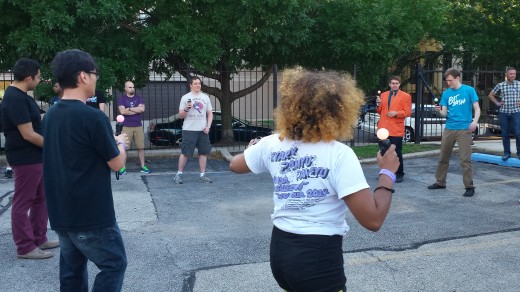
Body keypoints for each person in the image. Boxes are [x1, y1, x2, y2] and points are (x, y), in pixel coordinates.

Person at [229, 68, 399, 292]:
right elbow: (373, 220)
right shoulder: (338, 154)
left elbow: (235, 165)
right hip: (317, 261)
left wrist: (253, 148)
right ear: (338, 110)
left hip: (280, 253)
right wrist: (387, 173)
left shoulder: (271, 144)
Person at [43, 49, 128, 291]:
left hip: (61, 212)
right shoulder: (93, 117)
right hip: (91, 214)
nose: (96, 78)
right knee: (114, 264)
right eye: (95, 74)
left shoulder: (51, 115)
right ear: (83, 76)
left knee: (72, 272)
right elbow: (117, 163)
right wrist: (120, 143)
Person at [1, 58, 59, 259]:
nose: (40, 79)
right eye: (39, 76)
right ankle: (25, 247)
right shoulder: (15, 98)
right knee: (23, 201)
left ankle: (39, 237)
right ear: (28, 78)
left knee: (40, 198)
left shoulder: (22, 96)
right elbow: (28, 134)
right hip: (25, 157)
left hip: (35, 156)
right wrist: (54, 145)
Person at [428, 68, 480, 197]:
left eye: (450, 80)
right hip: (449, 128)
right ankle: (440, 182)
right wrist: (438, 111)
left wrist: (475, 122)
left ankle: (469, 186)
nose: (448, 83)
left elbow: (477, 108)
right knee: (443, 157)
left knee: (465, 159)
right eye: (447, 81)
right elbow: (444, 113)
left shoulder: (469, 90)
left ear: (457, 78)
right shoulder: (446, 94)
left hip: (464, 129)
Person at [173, 76, 213, 184]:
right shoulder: (185, 98)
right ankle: (179, 174)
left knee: (203, 152)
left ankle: (202, 175)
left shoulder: (205, 98)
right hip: (189, 129)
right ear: (191, 85)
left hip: (202, 130)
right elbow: (181, 115)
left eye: (199, 83)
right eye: (195, 83)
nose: (198, 85)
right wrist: (186, 109)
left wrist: (208, 126)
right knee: (185, 152)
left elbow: (210, 114)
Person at [376, 75, 412, 183]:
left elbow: (408, 112)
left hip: (396, 128)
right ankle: (384, 173)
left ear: (399, 84)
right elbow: (379, 111)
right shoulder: (383, 95)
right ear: (389, 84)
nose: (394, 85)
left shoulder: (406, 96)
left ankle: (399, 173)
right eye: (392, 83)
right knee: (383, 152)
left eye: (396, 83)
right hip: (383, 128)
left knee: (396, 152)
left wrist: (396, 113)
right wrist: (378, 104)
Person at [117, 81, 151, 174]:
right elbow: (123, 112)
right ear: (125, 89)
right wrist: (136, 110)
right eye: (130, 87)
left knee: (141, 147)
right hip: (126, 126)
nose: (132, 89)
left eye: (133, 87)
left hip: (138, 126)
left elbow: (142, 109)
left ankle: (143, 166)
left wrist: (129, 109)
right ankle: (123, 167)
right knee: (125, 148)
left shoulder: (139, 98)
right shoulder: (122, 99)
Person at [488, 67, 520, 160]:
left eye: (514, 74)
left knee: (518, 133)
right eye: (511, 74)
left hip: (516, 112)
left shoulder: (519, 84)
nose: (513, 75)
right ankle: (506, 153)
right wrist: (497, 103)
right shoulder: (501, 85)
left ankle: (519, 153)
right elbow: (490, 95)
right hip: (504, 113)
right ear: (506, 74)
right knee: (505, 134)